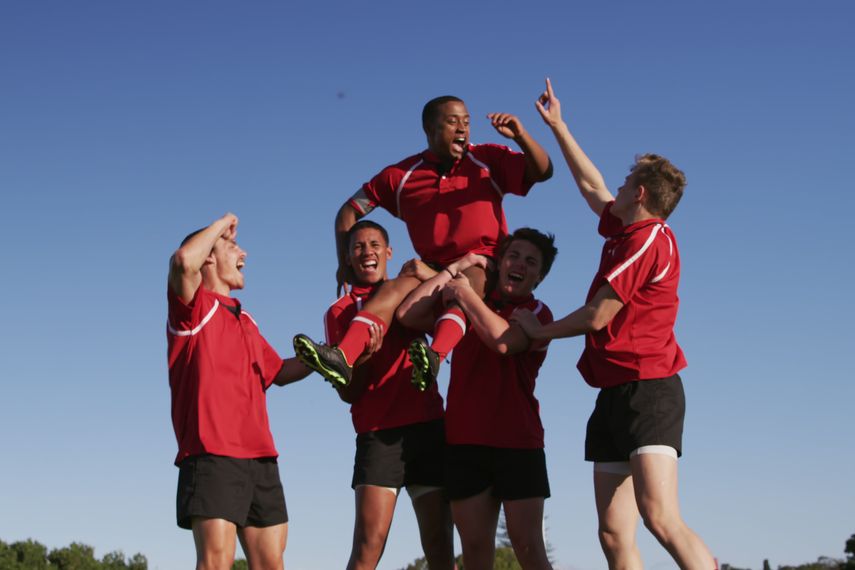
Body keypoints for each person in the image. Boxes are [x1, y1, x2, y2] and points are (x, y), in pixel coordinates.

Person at [511, 79, 716, 570]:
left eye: (625, 184)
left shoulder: (650, 240)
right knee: (612, 532)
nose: (616, 189)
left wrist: (538, 331)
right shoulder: (628, 231)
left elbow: (599, 313)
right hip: (613, 392)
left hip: (650, 390)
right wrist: (559, 126)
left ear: (640, 193)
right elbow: (590, 186)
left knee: (659, 516)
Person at [294, 95, 553, 391]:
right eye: (453, 122)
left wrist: (521, 136)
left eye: (466, 123)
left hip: (483, 262)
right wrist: (344, 264)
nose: (462, 129)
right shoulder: (401, 177)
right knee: (391, 289)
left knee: (465, 285)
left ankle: (435, 355)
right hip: (431, 269)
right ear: (430, 129)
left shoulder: (486, 159)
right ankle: (343, 356)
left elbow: (543, 171)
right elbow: (349, 210)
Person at [396, 228, 558, 570]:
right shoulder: (461, 310)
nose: (520, 265)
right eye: (513, 256)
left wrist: (466, 295)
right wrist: (459, 266)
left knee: (528, 547)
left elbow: (502, 342)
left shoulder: (538, 313)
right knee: (474, 548)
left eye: (531, 262)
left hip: (519, 442)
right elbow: (408, 314)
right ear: (498, 264)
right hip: (465, 441)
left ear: (539, 276)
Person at [167, 213, 311, 570]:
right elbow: (184, 261)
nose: (243, 253)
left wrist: (332, 357)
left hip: (261, 457)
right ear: (210, 257)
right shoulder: (192, 309)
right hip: (212, 452)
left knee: (271, 564)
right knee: (216, 562)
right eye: (233, 246)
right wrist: (222, 223)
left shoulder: (246, 320)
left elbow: (279, 371)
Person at [319, 220, 454, 570]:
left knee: (440, 546)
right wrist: (363, 358)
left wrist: (426, 274)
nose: (368, 252)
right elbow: (347, 393)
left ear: (389, 252)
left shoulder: (410, 291)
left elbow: (453, 298)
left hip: (428, 427)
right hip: (379, 436)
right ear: (347, 258)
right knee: (368, 547)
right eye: (358, 247)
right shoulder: (340, 312)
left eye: (375, 244)